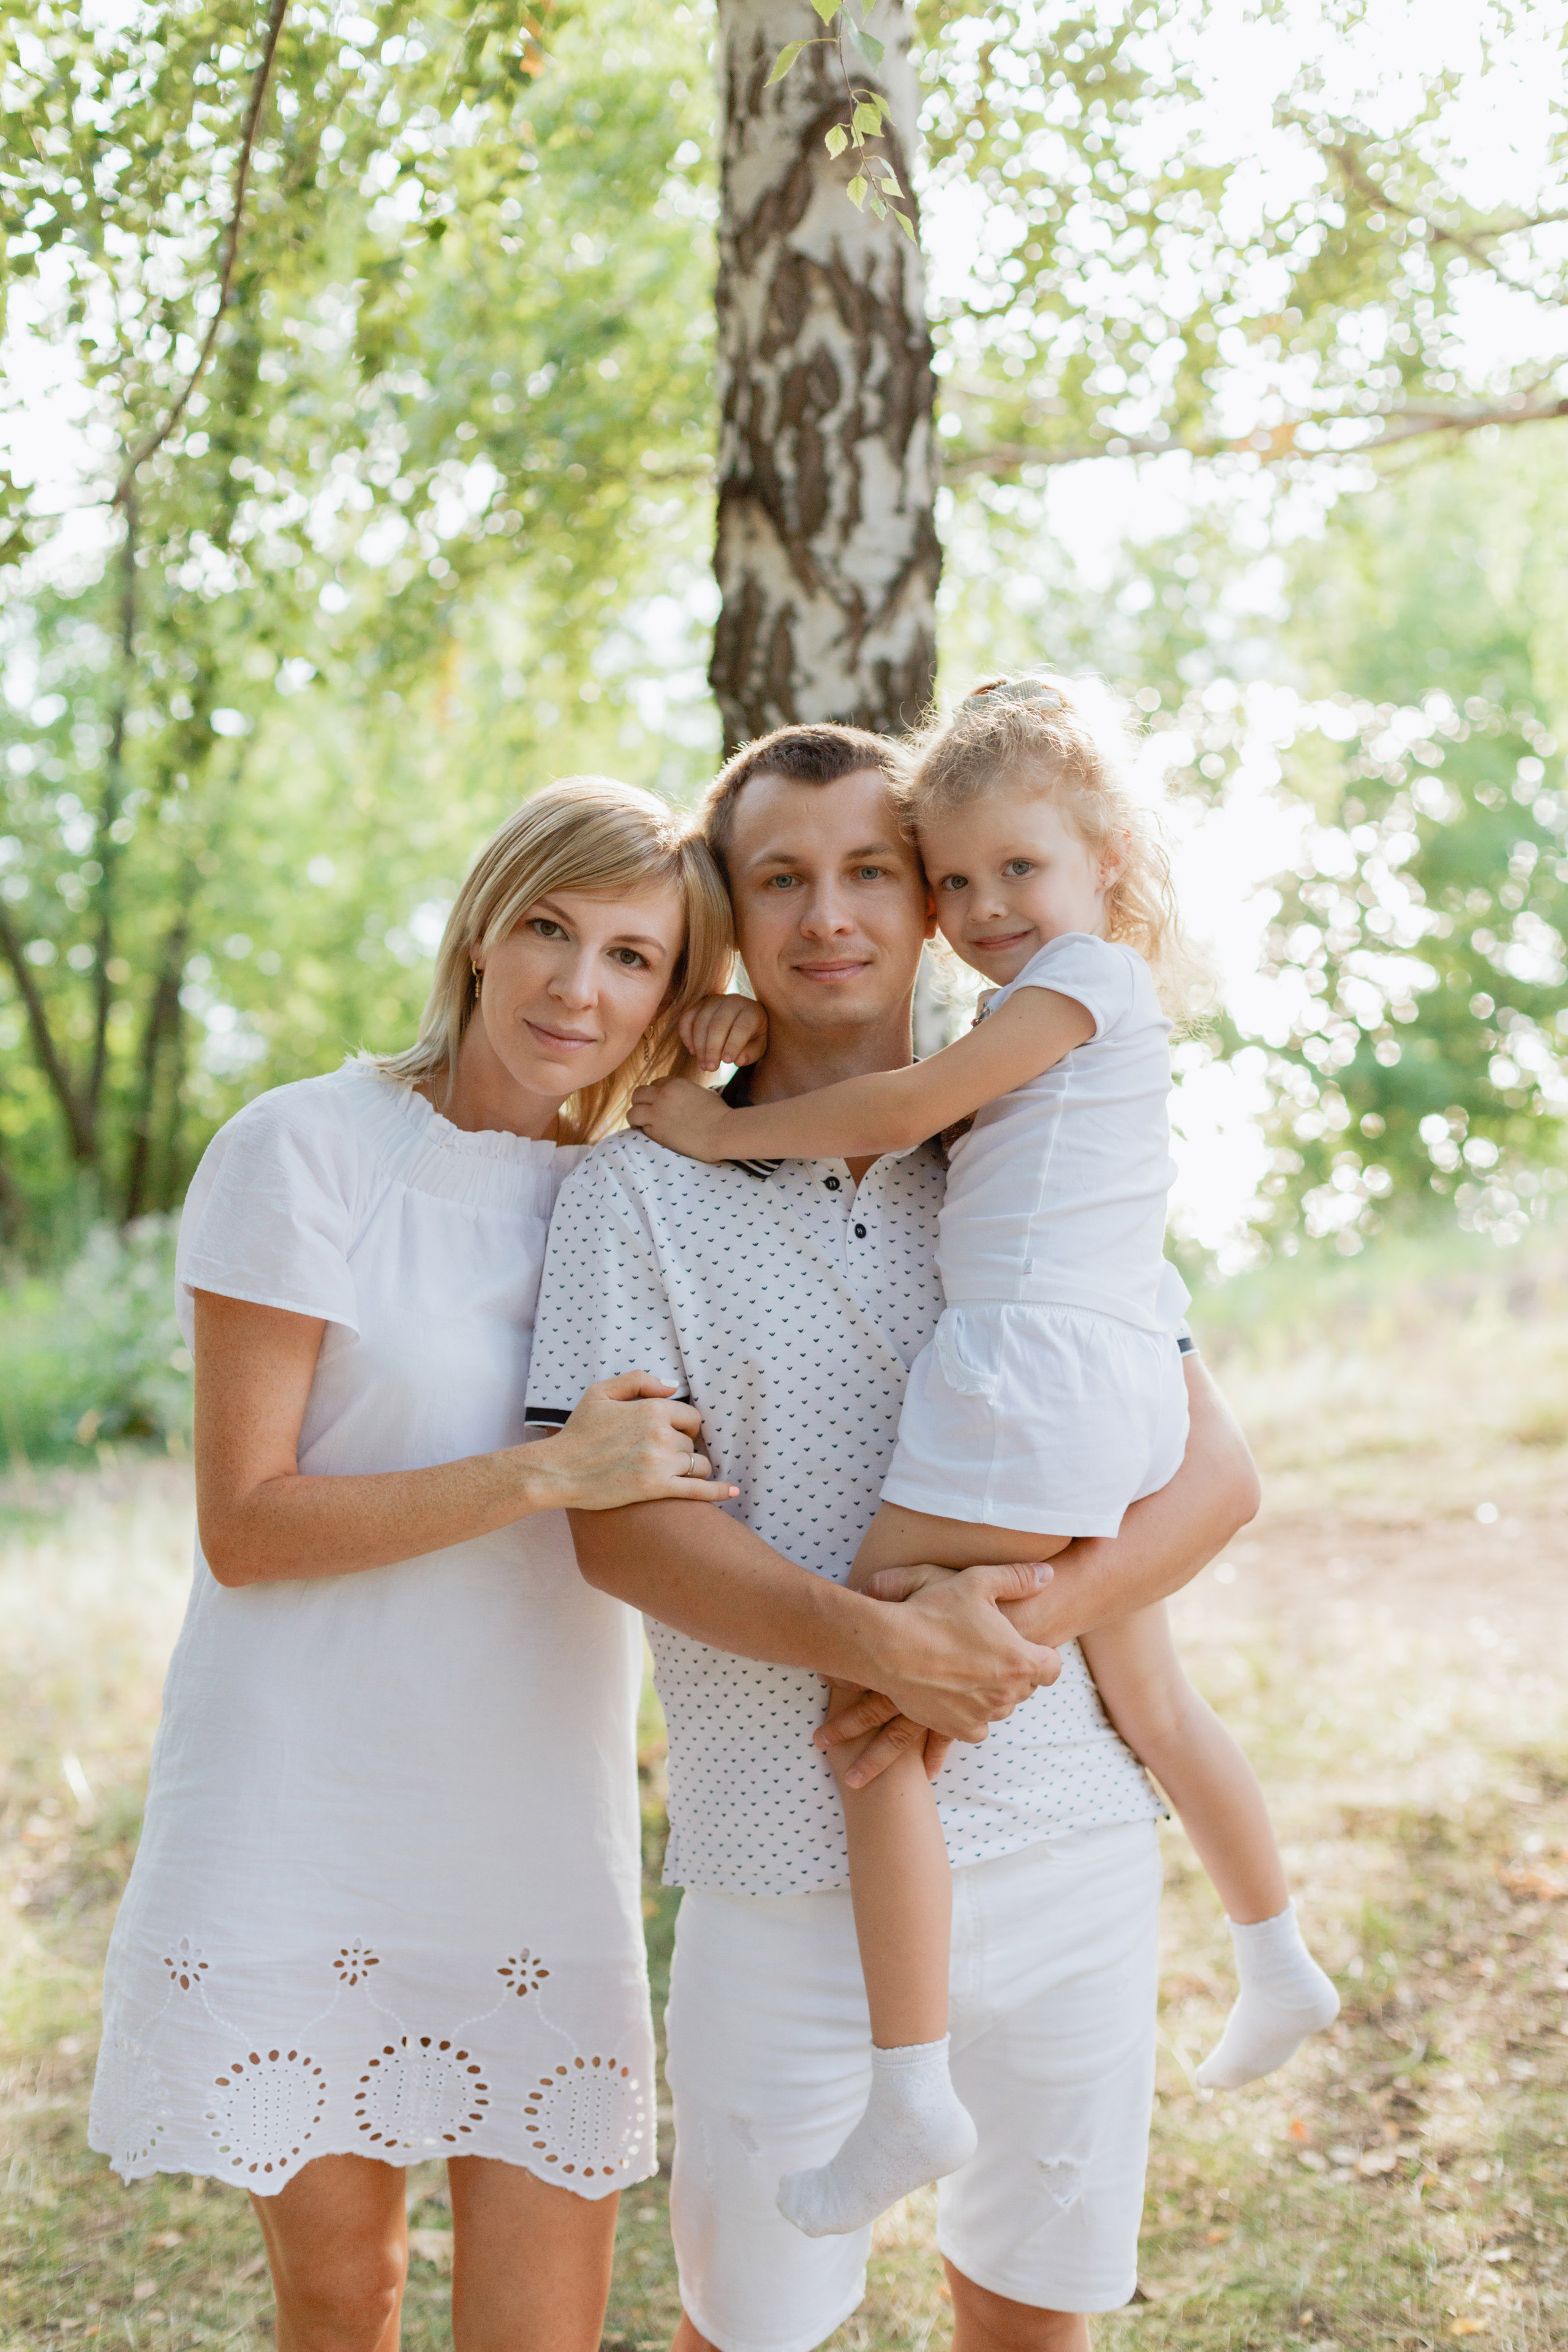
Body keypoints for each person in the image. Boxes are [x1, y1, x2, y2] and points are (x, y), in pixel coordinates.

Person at [524, 723, 1262, 2352]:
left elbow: (1212, 1481)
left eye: (873, 870)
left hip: (1067, 1832)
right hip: (783, 1860)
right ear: (728, 909)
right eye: (781, 879)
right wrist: (886, 1650)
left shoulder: (1032, 1139)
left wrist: (1009, 1636)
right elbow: (625, 1543)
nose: (831, 915)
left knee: (1037, 2314)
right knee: (758, 2325)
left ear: (936, 903)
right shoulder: (637, 1190)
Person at [89, 779, 753, 2352]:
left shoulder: (643, 1197)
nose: (575, 988)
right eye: (546, 929)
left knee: (539, 2325)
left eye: (633, 960)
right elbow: (246, 1526)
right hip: (303, 1801)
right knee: (345, 2299)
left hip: (527, 1808)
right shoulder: (305, 1149)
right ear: (478, 928)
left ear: (675, 996)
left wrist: (742, 1090)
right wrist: (540, 1473)